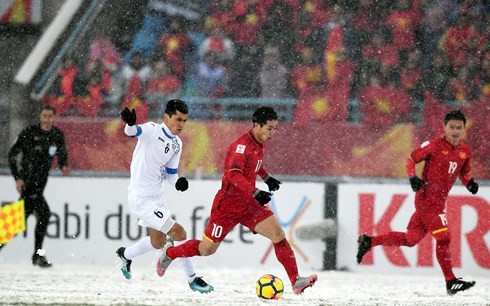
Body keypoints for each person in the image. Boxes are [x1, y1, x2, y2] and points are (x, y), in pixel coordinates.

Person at [155, 106, 318, 294]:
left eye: (275, 128)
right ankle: (170, 253)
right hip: (228, 207)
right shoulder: (240, 147)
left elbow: (253, 164)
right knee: (206, 249)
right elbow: (233, 175)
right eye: (270, 128)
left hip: (249, 205)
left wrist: (266, 177)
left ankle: (295, 281)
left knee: (278, 234)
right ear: (257, 125)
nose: (273, 132)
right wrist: (256, 191)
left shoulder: (259, 142)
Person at [356, 110, 478, 296]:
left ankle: (370, 241)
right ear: (444, 128)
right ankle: (450, 281)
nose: (455, 130)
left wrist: (469, 183)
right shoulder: (434, 145)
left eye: (458, 127)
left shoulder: (464, 152)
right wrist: (412, 177)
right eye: (451, 127)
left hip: (438, 202)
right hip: (427, 200)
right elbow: (411, 159)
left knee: (411, 239)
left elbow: (464, 171)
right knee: (444, 238)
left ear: (463, 130)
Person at [116, 99, 214, 294]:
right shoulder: (152, 130)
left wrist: (178, 182)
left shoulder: (177, 144)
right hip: (140, 198)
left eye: (184, 121)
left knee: (157, 243)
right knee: (180, 233)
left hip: (156, 197)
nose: (181, 124)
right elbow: (132, 132)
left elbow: (171, 173)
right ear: (166, 117)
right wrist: (130, 124)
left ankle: (125, 254)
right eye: (178, 119)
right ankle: (193, 279)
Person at [6, 104, 71, 267]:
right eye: (44, 116)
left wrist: (64, 165)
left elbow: (61, 153)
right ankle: (37, 255)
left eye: (50, 116)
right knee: (41, 215)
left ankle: (37, 255)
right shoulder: (30, 132)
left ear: (54, 118)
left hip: (40, 183)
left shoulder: (57, 135)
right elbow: (13, 154)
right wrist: (18, 177)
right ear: (40, 117)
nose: (47, 119)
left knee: (19, 219)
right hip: (28, 182)